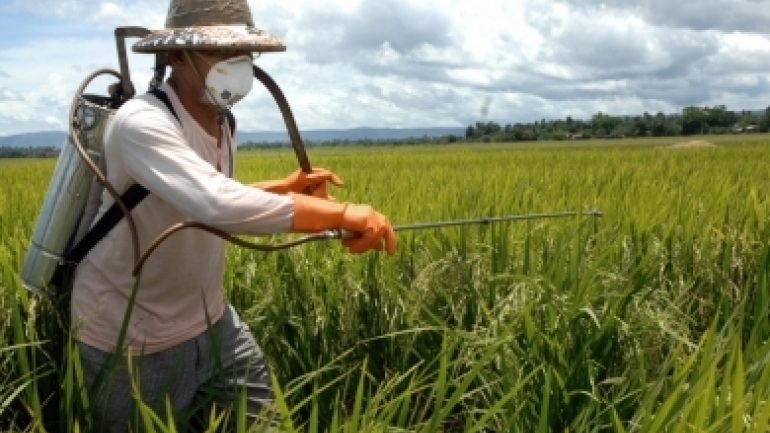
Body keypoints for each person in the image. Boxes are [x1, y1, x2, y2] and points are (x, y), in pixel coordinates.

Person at [70, 0, 397, 431]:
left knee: (266, 423)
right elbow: (215, 203)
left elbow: (203, 194)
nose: (236, 62)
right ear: (176, 56)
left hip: (211, 321)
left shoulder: (223, 121)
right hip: (131, 336)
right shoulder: (142, 122)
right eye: (219, 51)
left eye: (242, 51)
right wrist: (340, 213)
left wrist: (284, 188)